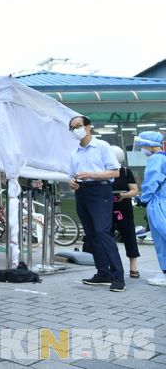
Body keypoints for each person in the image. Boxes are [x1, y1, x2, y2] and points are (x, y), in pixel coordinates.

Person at [68, 116, 124, 292]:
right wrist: (72, 183)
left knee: (102, 232)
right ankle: (103, 273)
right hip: (81, 192)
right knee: (91, 234)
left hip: (100, 191)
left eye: (78, 126)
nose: (75, 130)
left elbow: (115, 172)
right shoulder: (74, 153)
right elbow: (72, 176)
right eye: (72, 128)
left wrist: (91, 174)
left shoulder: (102, 146)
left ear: (88, 127)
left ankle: (118, 277)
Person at [135, 131, 166, 286]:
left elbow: (151, 181)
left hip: (158, 202)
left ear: (151, 146)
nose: (142, 148)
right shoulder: (164, 157)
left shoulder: (156, 159)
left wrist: (143, 199)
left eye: (143, 145)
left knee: (161, 238)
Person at [108, 145, 140, 278]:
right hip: (107, 209)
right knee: (108, 238)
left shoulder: (126, 171)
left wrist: (123, 195)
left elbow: (134, 190)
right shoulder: (103, 172)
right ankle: (112, 266)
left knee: (129, 236)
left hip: (124, 209)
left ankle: (133, 268)